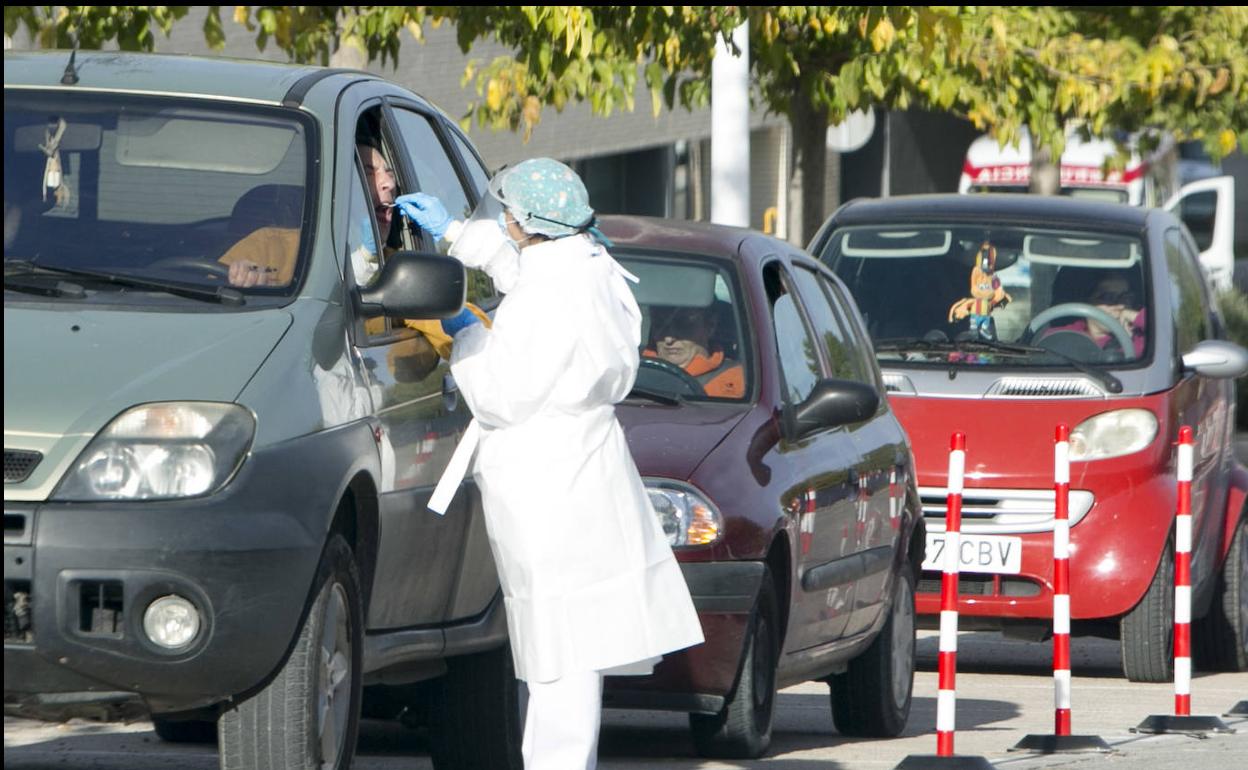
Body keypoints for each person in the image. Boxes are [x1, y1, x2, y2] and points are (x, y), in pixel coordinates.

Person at [398, 158, 703, 770]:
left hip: (546, 480)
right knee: (572, 641)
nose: (503, 221)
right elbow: (524, 268)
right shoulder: (586, 264)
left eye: (508, 213)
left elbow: (501, 393)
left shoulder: (554, 292)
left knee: (558, 648)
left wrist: (466, 333)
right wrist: (458, 235)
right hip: (580, 471)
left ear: (531, 219)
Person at [644, 304, 745, 398]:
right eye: (659, 325)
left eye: (682, 325)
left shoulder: (739, 381)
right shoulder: (633, 373)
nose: (668, 339)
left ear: (710, 326)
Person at [1046, 269, 1147, 357]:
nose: (1119, 305)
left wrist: (1135, 316)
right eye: (1107, 298)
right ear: (1087, 302)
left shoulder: (1140, 337)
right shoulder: (1063, 336)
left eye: (1126, 297)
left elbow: (1161, 330)